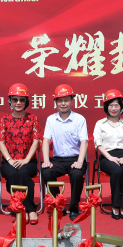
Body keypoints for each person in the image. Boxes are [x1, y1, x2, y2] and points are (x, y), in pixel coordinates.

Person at [41, 84, 89, 221]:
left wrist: (80, 161)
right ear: (55, 102)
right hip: (58, 160)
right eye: (60, 100)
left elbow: (84, 141)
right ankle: (58, 205)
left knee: (77, 174)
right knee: (47, 172)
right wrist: (46, 160)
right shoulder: (51, 119)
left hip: (75, 158)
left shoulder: (79, 119)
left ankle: (74, 207)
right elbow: (45, 140)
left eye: (66, 100)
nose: (63, 103)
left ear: (72, 101)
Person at [0, 83, 42, 224]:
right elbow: (1, 142)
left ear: (26, 101)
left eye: (22, 99)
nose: (18, 103)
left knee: (23, 172)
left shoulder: (33, 118)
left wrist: (26, 160)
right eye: (15, 99)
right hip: (9, 160)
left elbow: (36, 141)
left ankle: (28, 208)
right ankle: (21, 207)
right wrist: (10, 160)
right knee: (12, 173)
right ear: (10, 101)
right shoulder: (4, 119)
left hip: (28, 160)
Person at [93, 89, 123, 220]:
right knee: (116, 171)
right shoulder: (100, 124)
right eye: (110, 105)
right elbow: (98, 144)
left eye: (116, 105)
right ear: (106, 107)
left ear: (121, 107)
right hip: (107, 155)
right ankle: (116, 205)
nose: (114, 108)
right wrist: (110, 157)